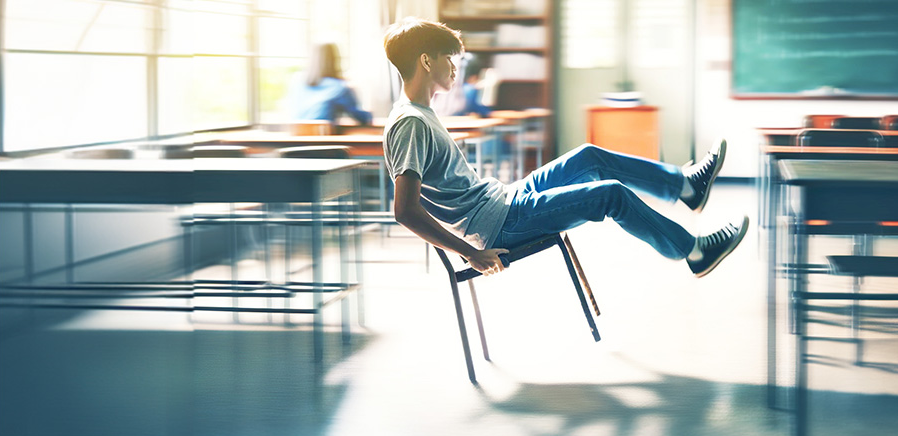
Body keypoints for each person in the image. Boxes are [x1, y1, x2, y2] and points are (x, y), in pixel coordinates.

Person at [381, 18, 748, 279]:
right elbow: (405, 210)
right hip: (498, 224)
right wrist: (471, 254)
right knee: (611, 195)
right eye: (450, 59)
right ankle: (694, 251)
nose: (455, 68)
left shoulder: (421, 113)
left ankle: (685, 186)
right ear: (426, 61)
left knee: (589, 155)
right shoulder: (411, 122)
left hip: (502, 200)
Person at [287, 42, 373, 124]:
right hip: (322, 136)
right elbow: (363, 118)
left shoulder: (297, 82)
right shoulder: (340, 87)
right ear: (335, 59)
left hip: (295, 135)